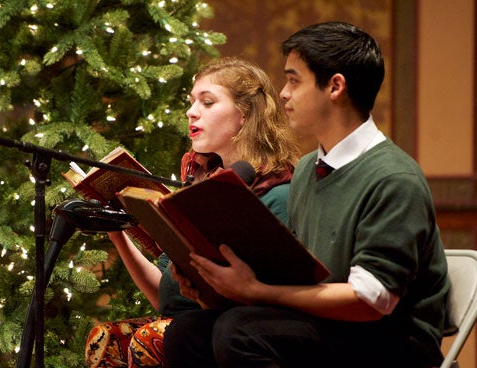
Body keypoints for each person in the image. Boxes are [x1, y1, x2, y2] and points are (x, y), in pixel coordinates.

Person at [163, 21, 450, 368]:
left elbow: (372, 299)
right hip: (331, 329)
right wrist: (210, 283)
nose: (283, 93)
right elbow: (295, 276)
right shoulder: (307, 171)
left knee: (239, 332)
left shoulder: (393, 177)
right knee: (189, 330)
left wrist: (256, 291)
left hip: (390, 343)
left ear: (335, 86)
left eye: (294, 80)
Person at [84, 56, 300, 367]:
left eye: (208, 102)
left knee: (153, 336)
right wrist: (118, 236)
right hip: (189, 323)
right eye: (191, 101)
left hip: (230, 331)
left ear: (244, 115)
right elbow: (166, 299)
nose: (191, 111)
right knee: (105, 340)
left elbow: (263, 302)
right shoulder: (201, 184)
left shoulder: (276, 193)